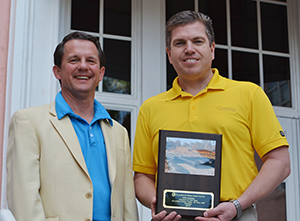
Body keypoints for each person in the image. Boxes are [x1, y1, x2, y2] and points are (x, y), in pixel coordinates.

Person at [132, 10, 290, 221]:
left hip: (236, 214)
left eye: (197, 41)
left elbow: (280, 162)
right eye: (180, 43)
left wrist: (237, 205)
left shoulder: (249, 95)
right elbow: (142, 176)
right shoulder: (151, 108)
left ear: (212, 49)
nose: (189, 49)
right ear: (169, 54)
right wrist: (159, 202)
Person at [6, 31, 139, 221]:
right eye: (74, 60)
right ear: (57, 71)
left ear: (101, 73)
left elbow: (127, 204)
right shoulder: (28, 122)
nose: (83, 66)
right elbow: (23, 201)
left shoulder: (118, 132)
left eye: (91, 61)